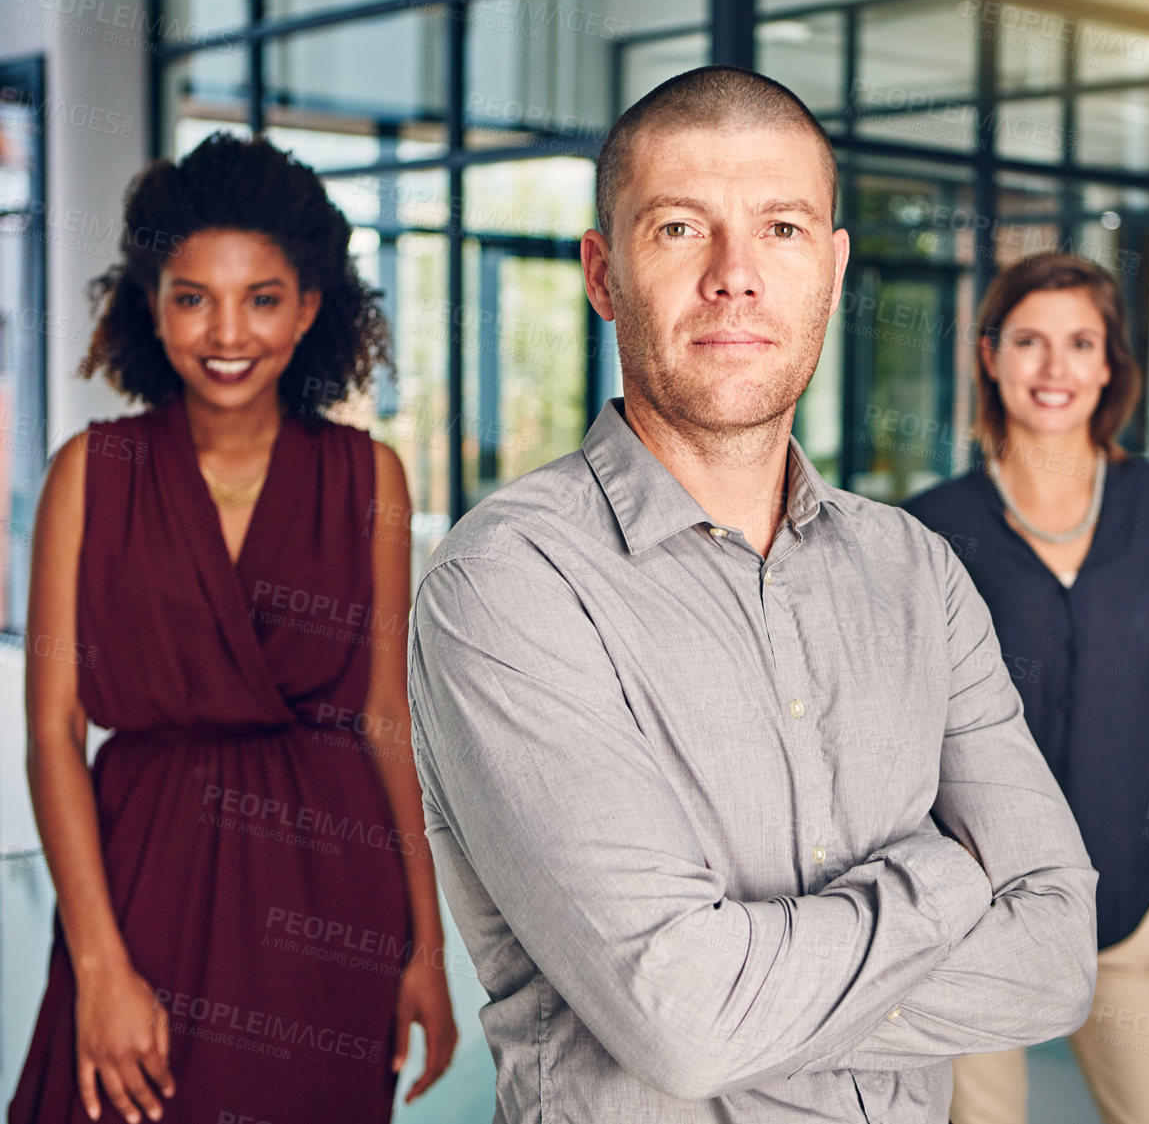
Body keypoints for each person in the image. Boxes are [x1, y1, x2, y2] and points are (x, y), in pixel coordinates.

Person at [406, 65, 1098, 1123]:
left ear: (829, 270)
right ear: (602, 274)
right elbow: (684, 1020)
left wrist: (755, 997)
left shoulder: (916, 572)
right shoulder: (507, 585)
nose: (735, 276)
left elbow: (1054, 959)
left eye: (779, 230)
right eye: (680, 228)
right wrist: (945, 882)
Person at [9, 133, 456, 1124]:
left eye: (261, 297)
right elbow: (51, 735)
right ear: (152, 306)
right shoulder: (92, 472)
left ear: (308, 310)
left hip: (329, 905)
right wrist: (98, 965)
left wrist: (425, 949)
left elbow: (388, 720)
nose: (227, 331)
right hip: (143, 887)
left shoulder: (368, 478)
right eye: (191, 295)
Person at [903, 254, 1149, 1124]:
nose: (1054, 368)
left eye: (1080, 343)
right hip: (977, 918)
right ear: (987, 355)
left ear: (1110, 363)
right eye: (1028, 341)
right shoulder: (932, 527)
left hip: (1129, 910)